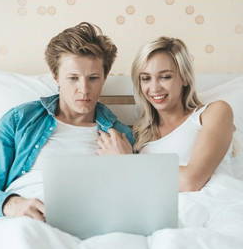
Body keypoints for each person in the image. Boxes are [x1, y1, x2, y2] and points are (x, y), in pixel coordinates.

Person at [0, 22, 134, 223]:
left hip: (90, 224)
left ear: (104, 77)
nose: (84, 89)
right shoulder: (20, 120)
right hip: (28, 221)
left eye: (93, 78)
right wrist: (13, 205)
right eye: (73, 78)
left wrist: (127, 165)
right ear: (56, 77)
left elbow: (136, 205)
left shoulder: (120, 136)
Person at [97, 36, 235, 191]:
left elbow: (191, 181)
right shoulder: (140, 135)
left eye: (165, 77)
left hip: (215, 206)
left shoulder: (215, 112)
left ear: (184, 78)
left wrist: (128, 162)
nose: (154, 88)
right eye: (146, 78)